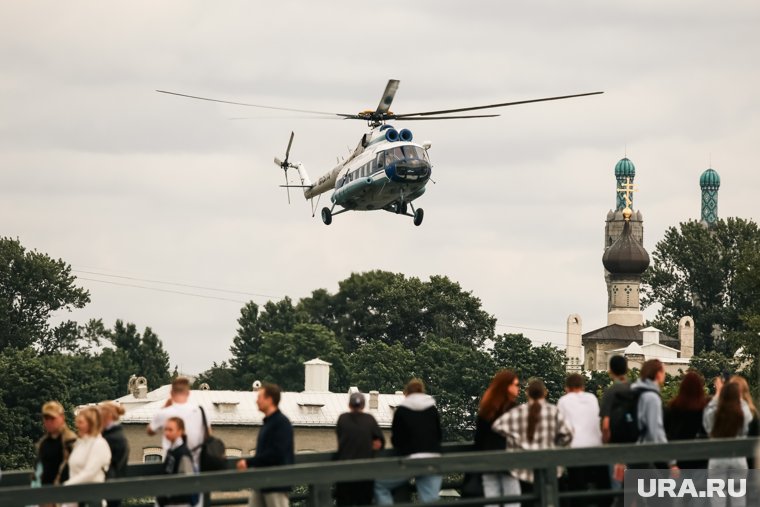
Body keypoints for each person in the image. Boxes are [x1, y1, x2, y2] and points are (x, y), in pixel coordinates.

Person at [492, 379, 573, 497]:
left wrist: (515, 440)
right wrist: (557, 446)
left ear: (527, 393)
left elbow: (497, 426)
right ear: (544, 393)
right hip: (549, 468)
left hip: (524, 469)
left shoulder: (518, 412)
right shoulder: (553, 411)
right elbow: (568, 434)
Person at [374, 379, 443, 505]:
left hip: (410, 461)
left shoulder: (402, 411)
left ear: (406, 393)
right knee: (430, 500)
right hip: (433, 460)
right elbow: (439, 435)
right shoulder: (432, 409)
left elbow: (397, 439)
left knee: (379, 485)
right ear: (422, 391)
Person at [236, 384, 294, 507]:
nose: (256, 401)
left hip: (276, 483)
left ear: (270, 399)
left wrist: (249, 462)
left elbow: (277, 453)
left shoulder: (281, 423)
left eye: (259, 397)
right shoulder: (269, 422)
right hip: (262, 481)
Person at [557, 373, 609, 507]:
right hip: (595, 448)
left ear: (567, 388)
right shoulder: (592, 398)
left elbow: (560, 427)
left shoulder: (564, 401)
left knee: (577, 489)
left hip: (575, 450)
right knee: (601, 487)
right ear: (583, 386)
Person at [474, 370, 520, 507]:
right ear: (507, 386)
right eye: (516, 385)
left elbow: (479, 438)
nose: (518, 388)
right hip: (509, 461)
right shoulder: (512, 409)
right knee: (512, 501)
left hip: (489, 462)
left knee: (491, 501)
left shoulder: (486, 408)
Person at [334, 392, 385, 506]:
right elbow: (379, 444)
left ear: (349, 405)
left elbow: (340, 437)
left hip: (344, 471)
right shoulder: (370, 420)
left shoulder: (343, 419)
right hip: (365, 472)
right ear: (363, 405)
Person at [148, 377, 207, 469]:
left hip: (173, 462)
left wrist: (165, 406)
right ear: (188, 393)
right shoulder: (201, 410)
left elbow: (150, 430)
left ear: (171, 393)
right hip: (198, 465)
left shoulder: (164, 413)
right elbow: (208, 434)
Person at [631, 359, 677, 473]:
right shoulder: (652, 397)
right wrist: (671, 462)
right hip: (643, 452)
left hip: (630, 450)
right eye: (663, 371)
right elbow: (655, 431)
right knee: (657, 488)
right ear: (658, 374)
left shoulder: (635, 391)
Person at [62, 406, 112, 507]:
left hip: (91, 500)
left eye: (80, 422)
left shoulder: (99, 444)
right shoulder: (80, 443)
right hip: (74, 499)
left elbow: (90, 472)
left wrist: (66, 485)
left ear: (91, 424)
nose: (76, 425)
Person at [703, 379, 752, 470]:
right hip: (737, 456)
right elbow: (747, 421)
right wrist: (736, 395)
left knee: (717, 484)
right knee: (738, 484)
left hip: (718, 457)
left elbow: (707, 417)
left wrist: (718, 393)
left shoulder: (715, 413)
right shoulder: (742, 413)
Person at [664, 371, 708, 469]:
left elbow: (666, 434)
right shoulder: (704, 409)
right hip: (700, 459)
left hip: (677, 459)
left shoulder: (672, 408)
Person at [33, 401, 77, 487]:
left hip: (65, 493)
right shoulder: (43, 443)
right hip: (45, 493)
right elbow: (39, 471)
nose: (49, 422)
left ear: (62, 418)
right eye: (46, 418)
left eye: (52, 418)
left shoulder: (70, 441)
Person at [156, 417, 198, 507]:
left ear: (180, 431)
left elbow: (187, 480)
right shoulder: (172, 449)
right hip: (169, 499)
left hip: (178, 502)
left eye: (170, 430)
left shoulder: (183, 453)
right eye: (166, 429)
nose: (166, 432)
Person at [100, 401, 130, 507]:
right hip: (114, 487)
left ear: (108, 416)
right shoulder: (116, 435)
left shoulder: (112, 438)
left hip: (110, 488)